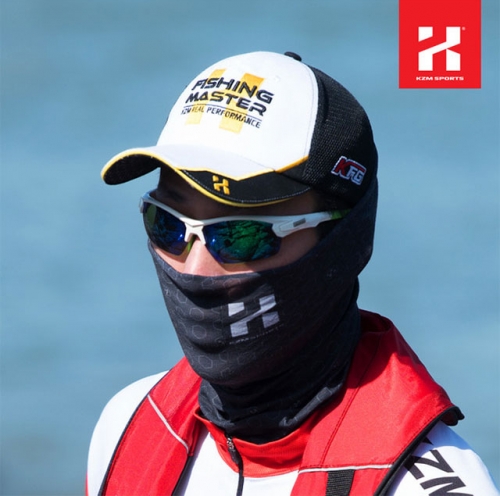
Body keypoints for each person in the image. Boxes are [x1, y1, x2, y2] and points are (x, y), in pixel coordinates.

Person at [87, 51, 498, 496]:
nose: (197, 268)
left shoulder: (422, 488)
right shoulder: (126, 427)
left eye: (242, 235)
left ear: (341, 241)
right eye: (166, 224)